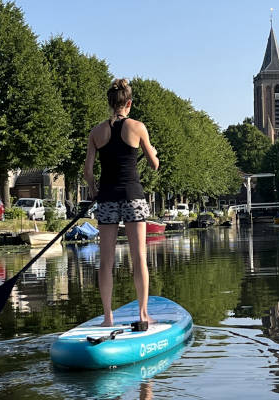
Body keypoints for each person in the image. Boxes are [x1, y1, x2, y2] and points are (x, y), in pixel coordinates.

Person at [84, 78, 159, 328]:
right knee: (139, 257)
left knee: (105, 261)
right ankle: (143, 314)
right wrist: (154, 153)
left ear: (110, 103)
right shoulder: (138, 127)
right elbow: (153, 164)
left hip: (106, 197)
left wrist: (94, 189)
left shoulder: (96, 132)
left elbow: (88, 170)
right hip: (132, 196)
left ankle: (107, 317)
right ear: (129, 103)